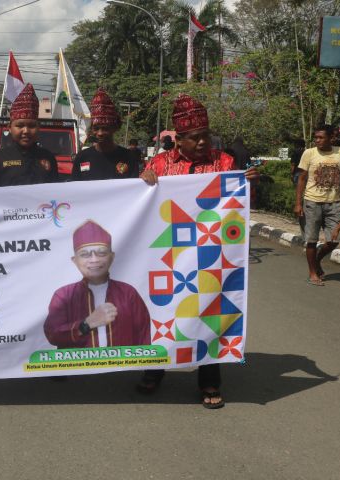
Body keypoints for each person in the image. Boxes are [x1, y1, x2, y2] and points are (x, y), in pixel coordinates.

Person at [140, 93, 260, 409]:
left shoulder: (225, 163)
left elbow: (236, 204)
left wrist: (245, 184)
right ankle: (154, 371)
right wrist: (143, 180)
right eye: (195, 138)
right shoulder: (159, 165)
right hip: (167, 255)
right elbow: (139, 202)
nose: (203, 143)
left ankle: (209, 381)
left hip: (210, 255)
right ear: (178, 139)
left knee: (209, 312)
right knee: (163, 313)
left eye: (206, 136)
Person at [44, 220, 151, 349]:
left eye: (101, 253)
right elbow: (52, 334)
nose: (94, 260)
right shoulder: (64, 295)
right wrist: (87, 324)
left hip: (122, 367)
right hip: (78, 367)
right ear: (75, 260)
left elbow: (143, 337)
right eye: (85, 254)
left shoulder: (128, 293)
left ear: (111, 257)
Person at [294, 124, 340, 286]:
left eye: (321, 137)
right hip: (312, 202)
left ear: (331, 138)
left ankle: (317, 259)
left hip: (334, 203)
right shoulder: (309, 153)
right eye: (316, 137)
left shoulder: (339, 152)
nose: (317, 140)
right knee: (311, 240)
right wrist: (298, 203)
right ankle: (312, 273)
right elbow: (302, 178)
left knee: (335, 239)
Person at [0, 83, 60, 187]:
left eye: (31, 126)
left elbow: (55, 194)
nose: (26, 131)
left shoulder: (48, 158)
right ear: (10, 128)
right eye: (19, 126)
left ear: (38, 127)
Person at [70, 88, 141, 181]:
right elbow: (75, 189)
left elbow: (135, 190)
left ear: (114, 128)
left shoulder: (128, 157)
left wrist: (145, 180)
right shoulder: (82, 157)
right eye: (96, 128)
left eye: (105, 128)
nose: (100, 133)